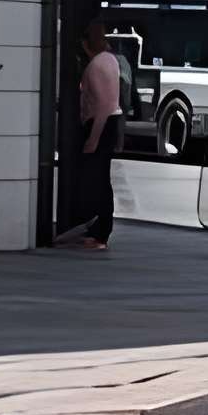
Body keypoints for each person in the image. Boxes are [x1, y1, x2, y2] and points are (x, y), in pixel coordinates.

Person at [77, 20, 122, 250]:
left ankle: (100, 232)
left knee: (98, 179)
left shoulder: (95, 65)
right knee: (102, 178)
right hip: (111, 122)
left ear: (87, 43)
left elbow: (103, 104)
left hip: (101, 123)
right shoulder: (111, 60)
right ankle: (100, 229)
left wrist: (93, 138)